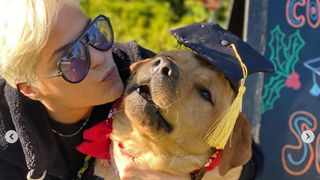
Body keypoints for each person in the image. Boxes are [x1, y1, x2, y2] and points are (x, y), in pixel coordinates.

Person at [0, 0, 197, 179]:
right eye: (72, 58)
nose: (100, 56)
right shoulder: (6, 150)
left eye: (93, 33)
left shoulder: (145, 73)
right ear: (30, 88)